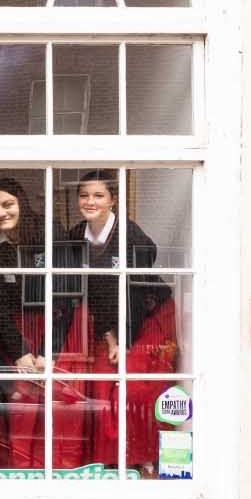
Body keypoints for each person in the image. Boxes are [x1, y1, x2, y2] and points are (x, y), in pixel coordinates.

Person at [49, 170, 165, 470]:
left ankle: (141, 462)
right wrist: (108, 335)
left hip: (145, 319)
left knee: (133, 391)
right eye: (84, 195)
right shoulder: (75, 237)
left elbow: (136, 296)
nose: (90, 201)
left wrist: (123, 338)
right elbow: (84, 294)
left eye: (98, 195)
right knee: (100, 392)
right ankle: (109, 465)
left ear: (113, 200)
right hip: (103, 324)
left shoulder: (132, 237)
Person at [0, 177, 44, 469]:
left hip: (52, 329)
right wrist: (20, 349)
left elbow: (67, 297)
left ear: (21, 203)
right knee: (19, 404)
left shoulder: (46, 233)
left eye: (8, 204)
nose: (1, 213)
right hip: (13, 334)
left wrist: (47, 350)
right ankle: (18, 469)